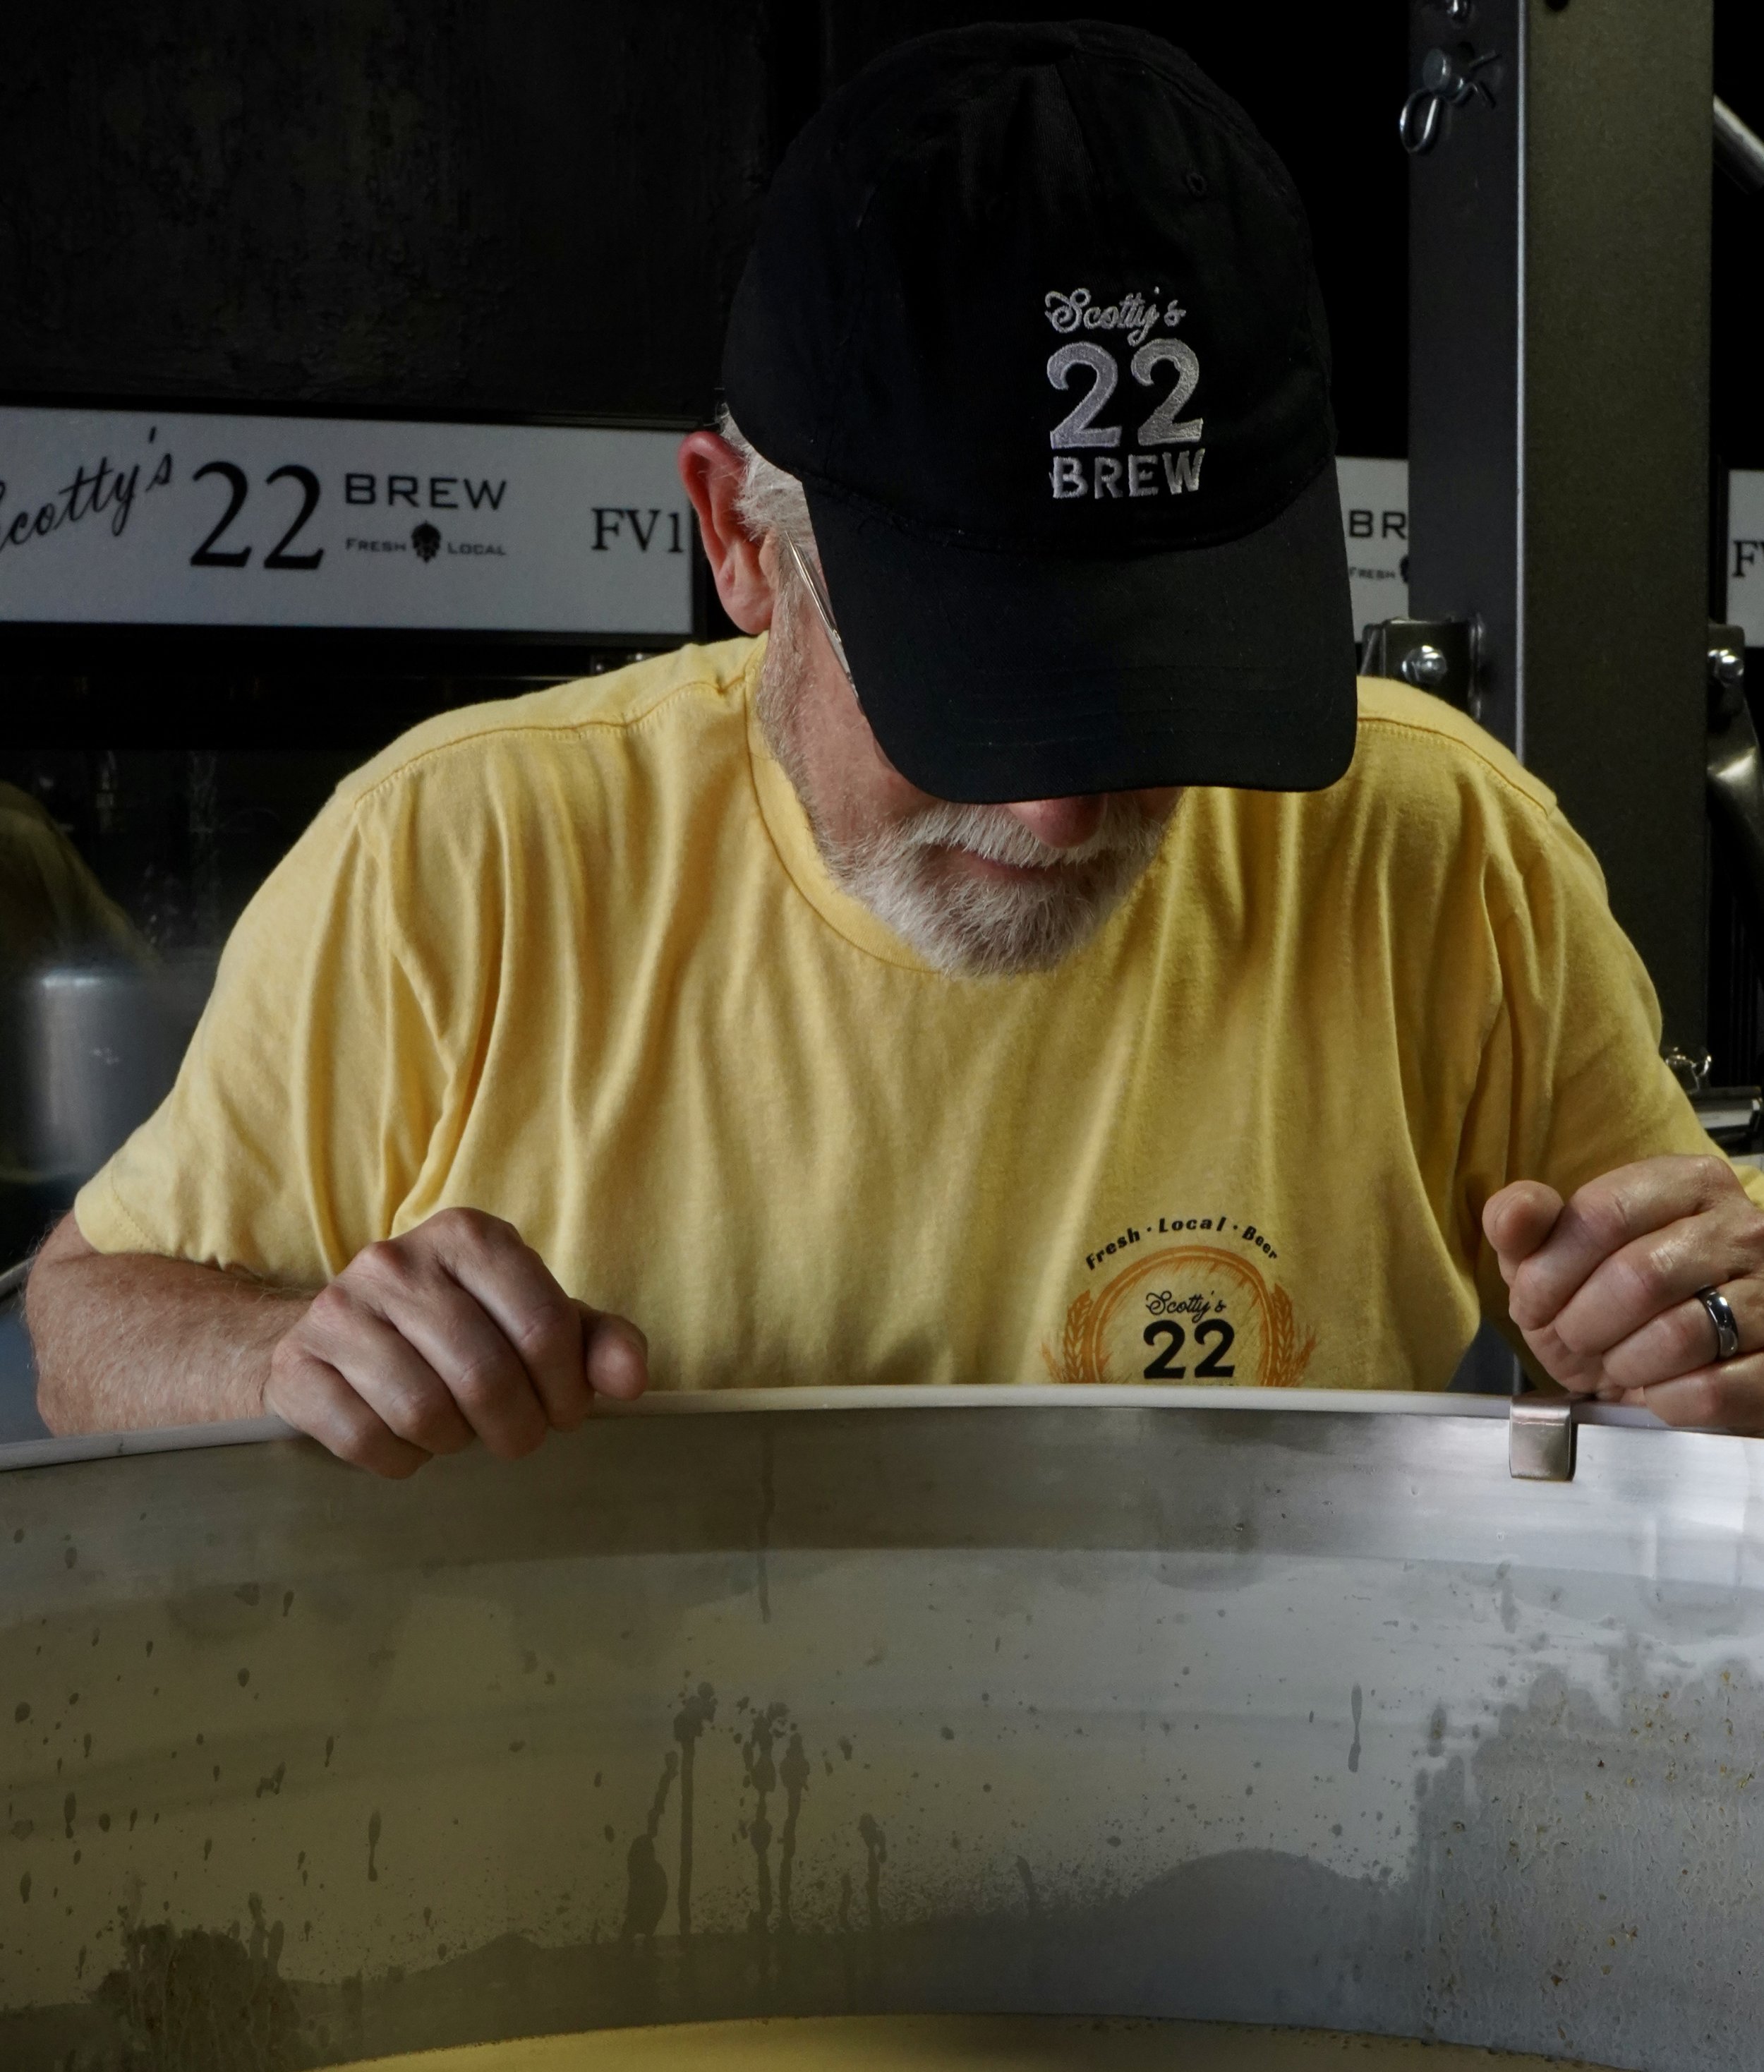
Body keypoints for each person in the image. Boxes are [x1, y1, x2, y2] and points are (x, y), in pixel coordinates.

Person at [24, 22, 1764, 1473]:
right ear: (736, 543)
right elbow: (82, 1322)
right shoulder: (457, 863)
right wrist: (287, 1358)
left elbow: (1681, 1347)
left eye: (1155, 682)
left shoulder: (1437, 858)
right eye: (970, 685)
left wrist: (1700, 1346)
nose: (1062, 801)